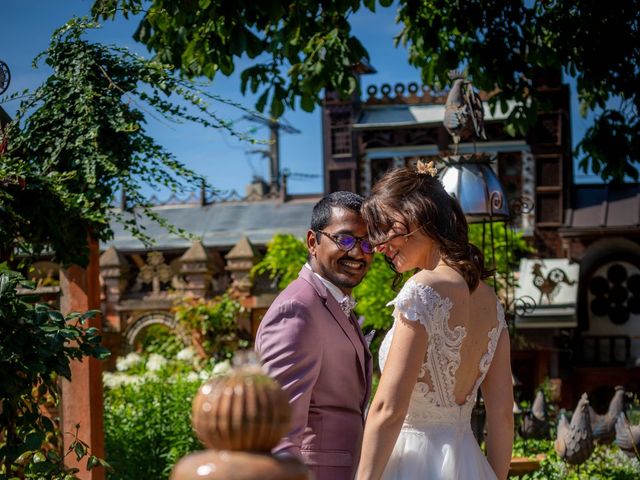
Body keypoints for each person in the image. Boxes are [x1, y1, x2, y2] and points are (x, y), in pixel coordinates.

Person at [356, 160, 514, 480]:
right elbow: (501, 416)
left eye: (388, 228)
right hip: (469, 464)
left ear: (418, 215)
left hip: (413, 465)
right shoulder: (491, 302)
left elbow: (388, 409)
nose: (382, 245)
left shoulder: (423, 289)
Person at [255, 191, 374, 480]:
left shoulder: (331, 302)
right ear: (313, 242)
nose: (358, 252)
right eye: (344, 239)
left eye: (368, 243)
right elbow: (279, 429)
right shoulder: (297, 309)